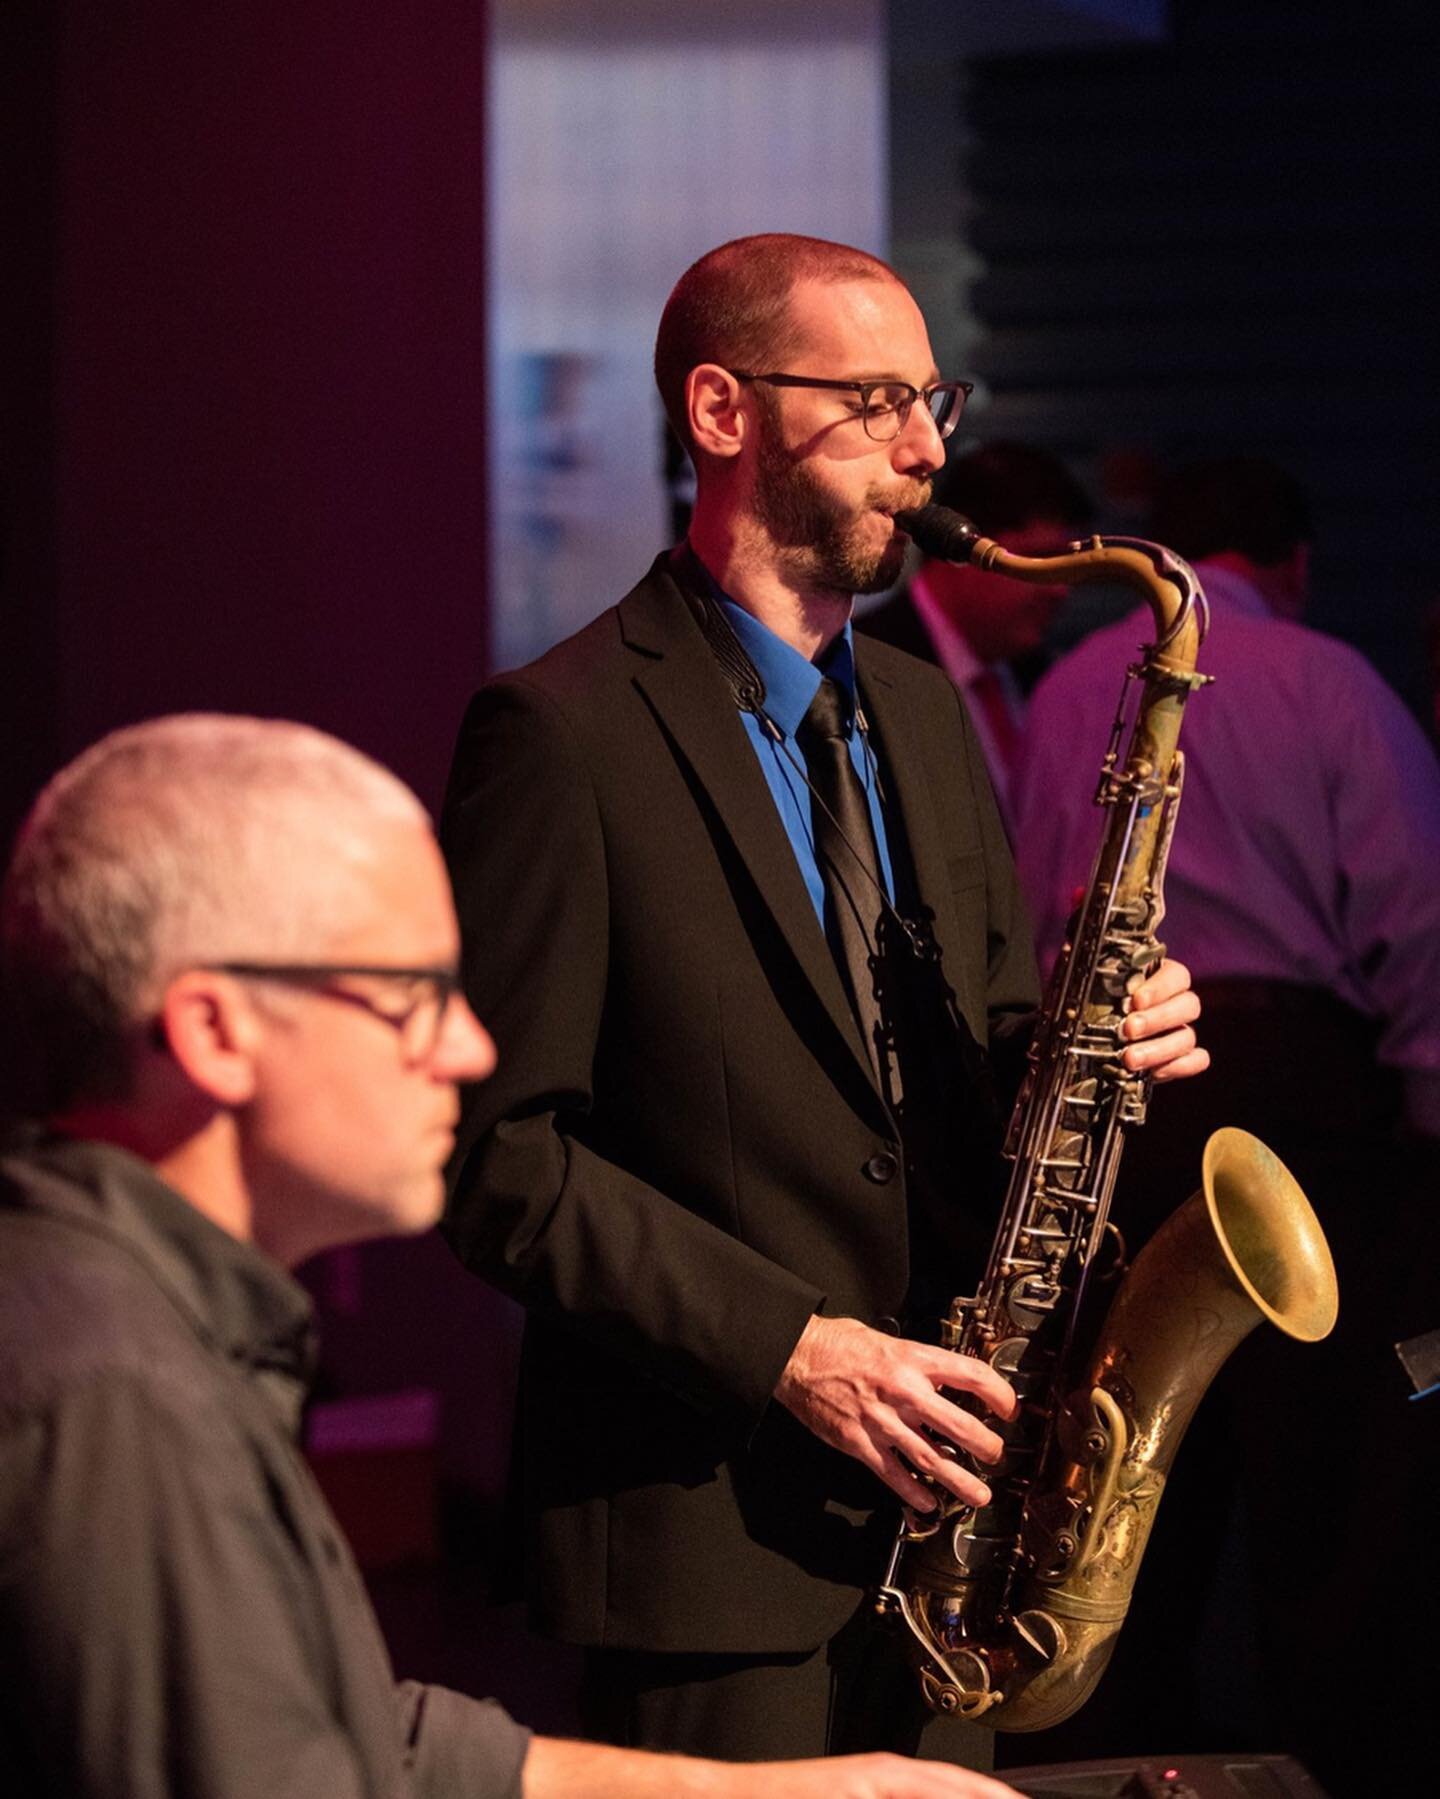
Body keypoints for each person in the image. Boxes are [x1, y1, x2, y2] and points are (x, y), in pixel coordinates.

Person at [441, 232, 1206, 1769]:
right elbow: (489, 1155)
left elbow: (974, 1060)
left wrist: (1075, 1047)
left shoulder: (922, 714)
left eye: (935, 398)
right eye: (875, 401)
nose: (929, 448)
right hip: (709, 1549)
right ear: (723, 412)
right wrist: (792, 1346)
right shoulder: (558, 732)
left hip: (966, 1527)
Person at [0, 712, 1026, 1799]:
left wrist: (779, 1790)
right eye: (413, 993)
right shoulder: (113, 1393)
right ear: (215, 1032)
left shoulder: (126, 1317)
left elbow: (351, 1733)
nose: (472, 1045)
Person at [1009, 456, 1440, 1789]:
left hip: (1128, 1092)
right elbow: (1413, 911)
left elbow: (1031, 909)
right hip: (1310, 1094)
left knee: (1134, 1470)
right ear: (1293, 559)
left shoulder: (1073, 687)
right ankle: (1328, 1758)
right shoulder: (1326, 675)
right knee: (1334, 1500)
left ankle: (1119, 1753)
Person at [856, 442, 1092, 828]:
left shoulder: (1036, 670)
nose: (1059, 588)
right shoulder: (865, 660)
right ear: (961, 546)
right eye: (1040, 558)